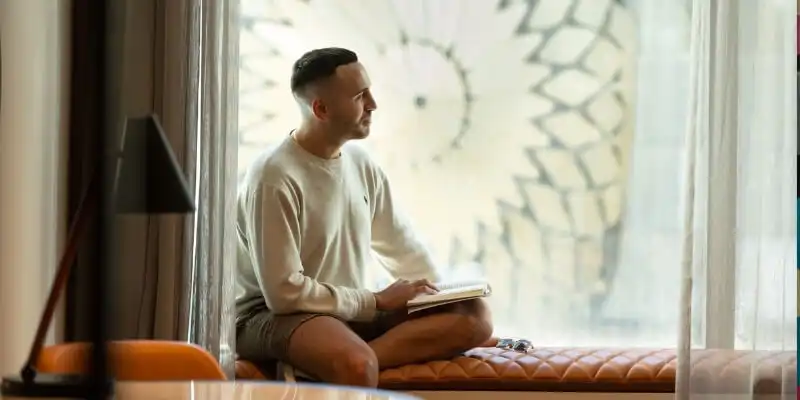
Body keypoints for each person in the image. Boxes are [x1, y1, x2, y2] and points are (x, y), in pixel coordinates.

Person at [235, 47, 493, 387]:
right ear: (321, 109)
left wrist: (438, 299)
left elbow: (402, 247)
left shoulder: (360, 163)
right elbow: (284, 294)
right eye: (360, 96)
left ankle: (329, 363)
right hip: (272, 315)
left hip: (347, 309)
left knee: (474, 316)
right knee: (356, 367)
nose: (373, 104)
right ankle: (349, 359)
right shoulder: (273, 176)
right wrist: (375, 302)